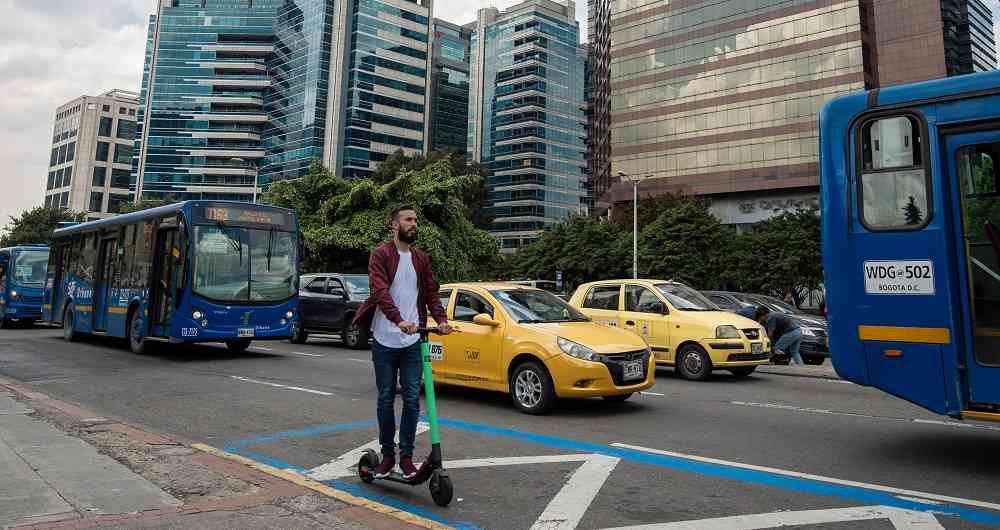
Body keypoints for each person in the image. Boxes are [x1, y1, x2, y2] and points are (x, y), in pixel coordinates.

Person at [353, 205, 452, 479]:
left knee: (411, 399)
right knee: (386, 398)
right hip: (385, 339)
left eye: (416, 220)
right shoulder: (381, 254)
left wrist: (441, 319)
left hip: (412, 341)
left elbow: (431, 293)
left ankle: (406, 458)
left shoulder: (421, 258)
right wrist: (398, 320)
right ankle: (387, 456)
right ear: (394, 224)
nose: (414, 223)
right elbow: (380, 291)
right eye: (408, 219)